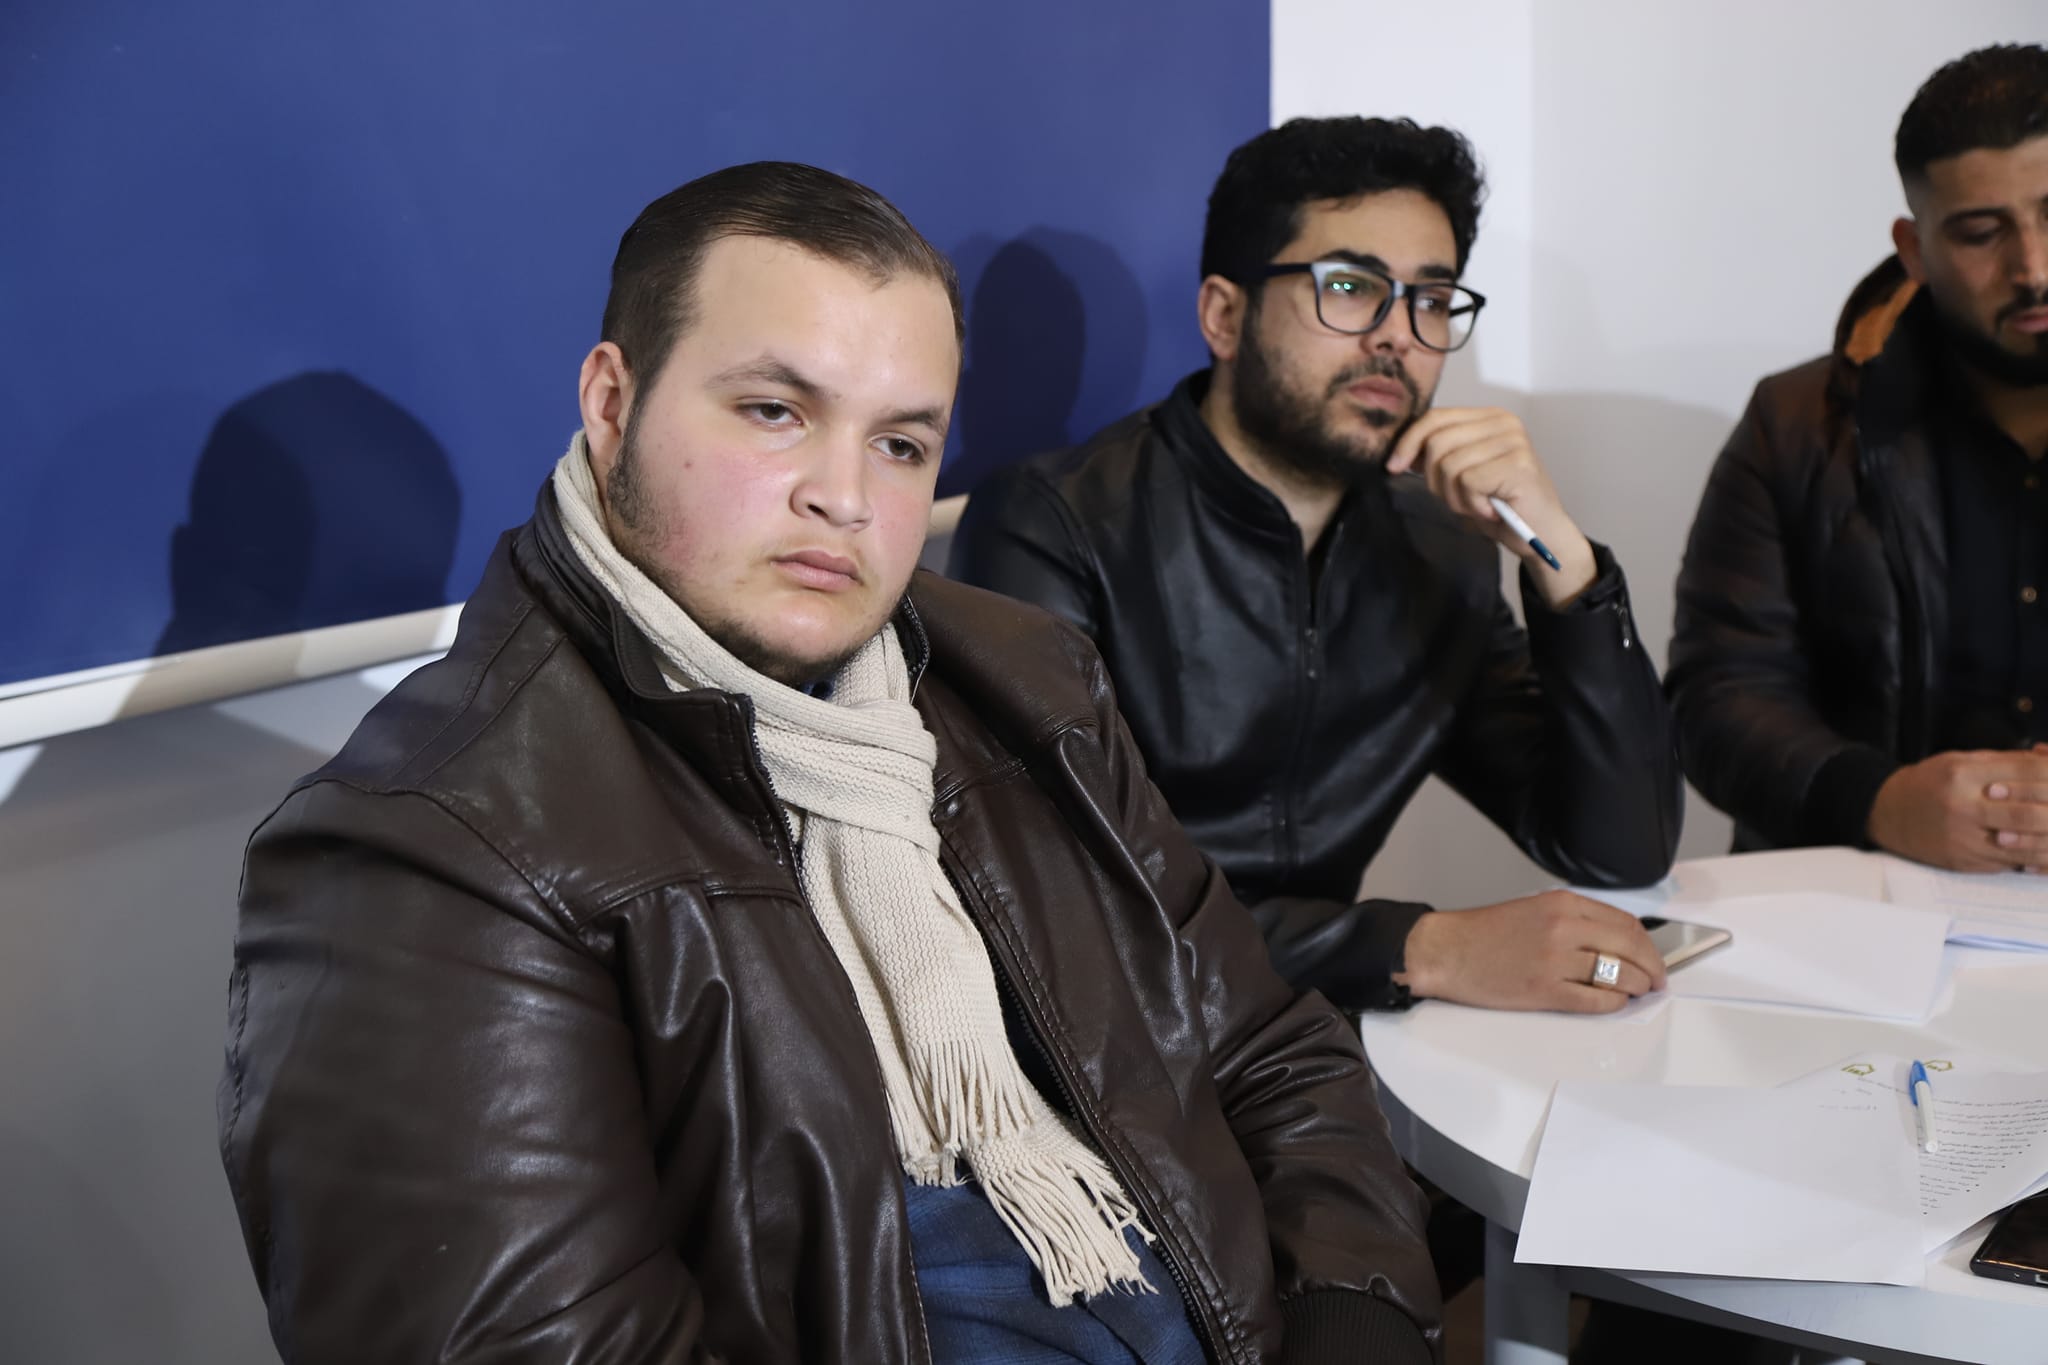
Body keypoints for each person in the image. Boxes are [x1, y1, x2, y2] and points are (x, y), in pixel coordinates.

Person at [216, 162, 1439, 1364]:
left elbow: (1267, 1051)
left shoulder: (1026, 681)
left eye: (900, 443)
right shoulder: (431, 851)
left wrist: (1356, 1321)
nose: (844, 498)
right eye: (774, 412)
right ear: (611, 403)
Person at [950, 117, 1681, 1016]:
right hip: (1104, 1050)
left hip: (1310, 1036)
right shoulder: (1055, 522)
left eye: (1430, 300)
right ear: (1225, 316)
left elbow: (1620, 850)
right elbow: (1058, 895)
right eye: (1349, 286)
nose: (1398, 336)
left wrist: (1563, 562)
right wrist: (1421, 947)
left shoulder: (1441, 546)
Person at [1670, 44, 2048, 873]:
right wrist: (1880, 800)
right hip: (1855, 905)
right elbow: (1717, 697)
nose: (2033, 268)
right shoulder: (1795, 424)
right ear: (1914, 249)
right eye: (1981, 232)